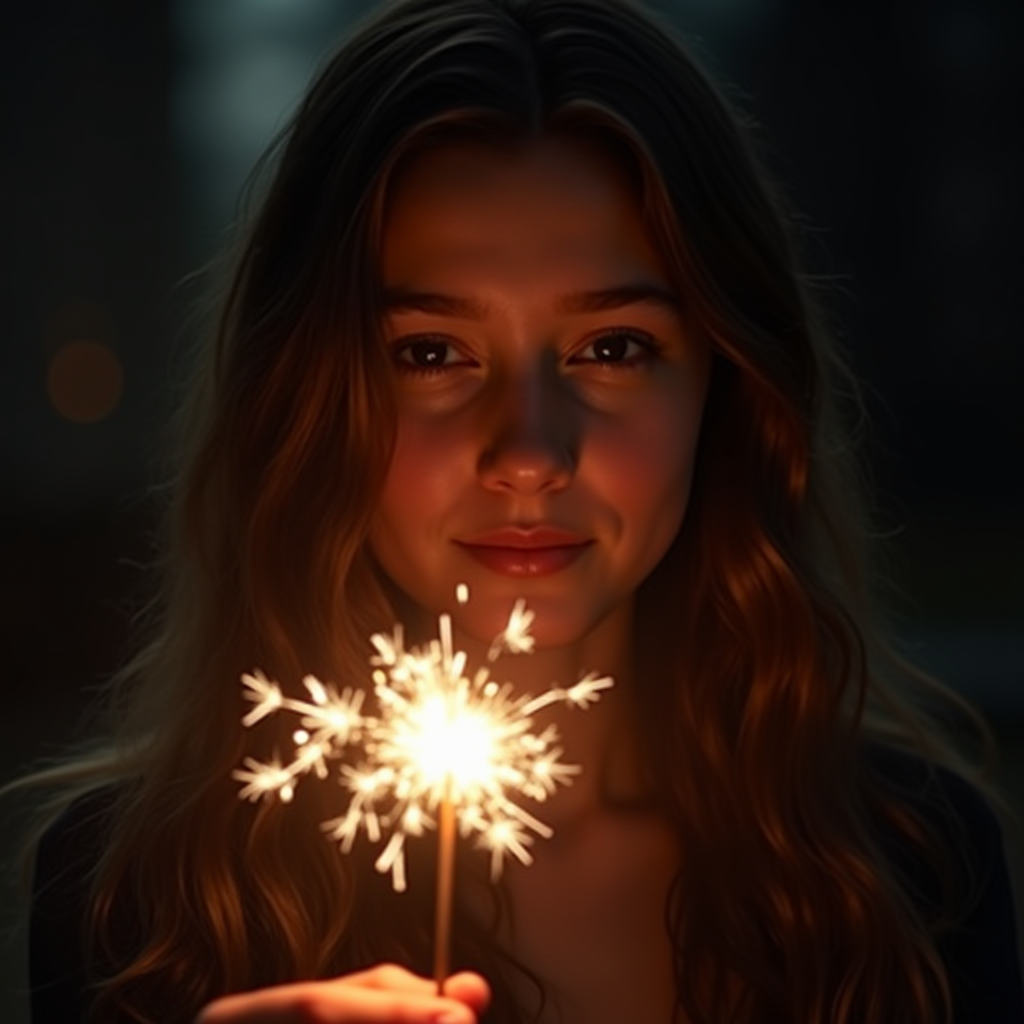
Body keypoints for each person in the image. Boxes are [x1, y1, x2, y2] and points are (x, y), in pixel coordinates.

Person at [11, 0, 1023, 1021]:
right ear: (306, 404)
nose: (530, 454)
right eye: (430, 353)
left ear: (728, 389)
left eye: (613, 347)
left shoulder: (913, 870)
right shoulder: (127, 894)